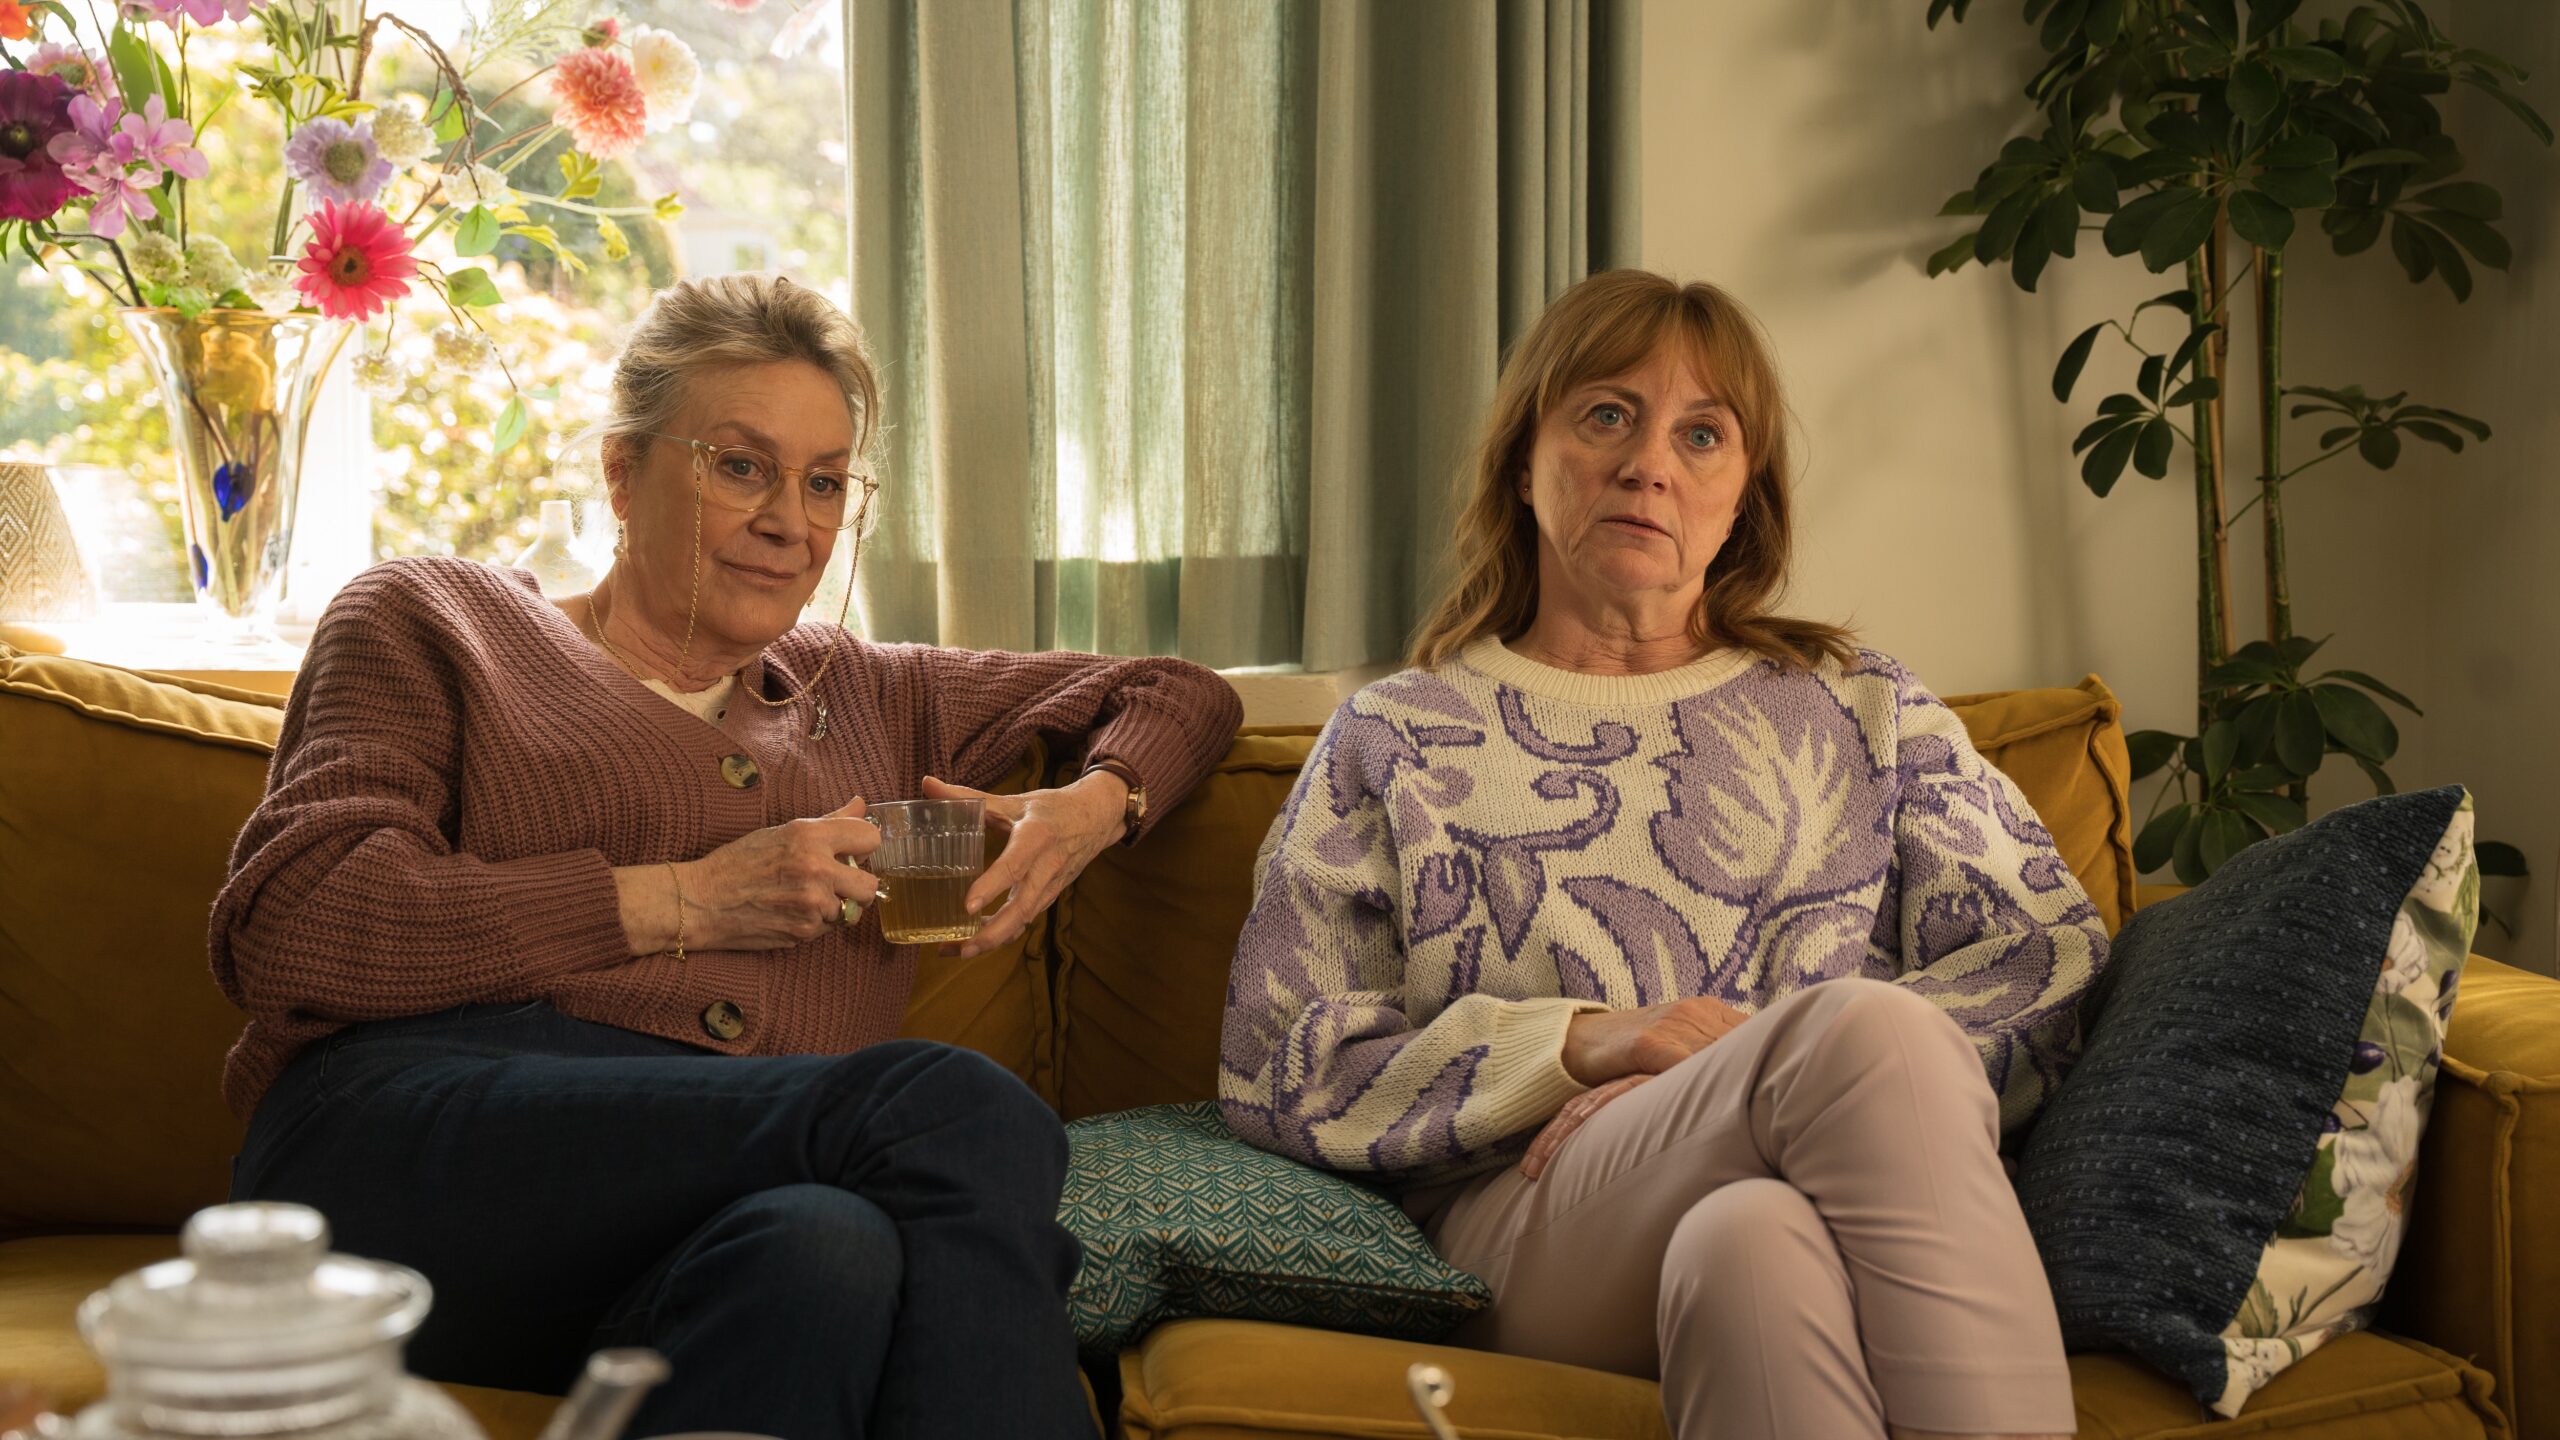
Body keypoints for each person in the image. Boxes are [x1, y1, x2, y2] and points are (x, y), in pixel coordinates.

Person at [214, 273, 1242, 1440]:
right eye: (742, 467)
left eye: (825, 483)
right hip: (406, 1153)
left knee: (825, 1251)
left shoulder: (873, 693)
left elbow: (1177, 693)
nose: (790, 522)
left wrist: (1092, 807)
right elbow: (294, 927)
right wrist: (685, 901)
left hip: (681, 1233)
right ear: (622, 472)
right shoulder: (435, 621)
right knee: (949, 1110)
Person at [1220, 269, 2105, 1440]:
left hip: (1799, 1198)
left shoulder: (1866, 709)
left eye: (1701, 435)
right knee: (1867, 1034)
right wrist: (1592, 1044)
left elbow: (2043, 963)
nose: (1649, 465)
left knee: (1754, 1244)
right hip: (1528, 1220)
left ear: (1743, 498)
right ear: (1523, 459)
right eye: (1606, 415)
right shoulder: (1393, 737)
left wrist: (1739, 1084)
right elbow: (1283, 1059)